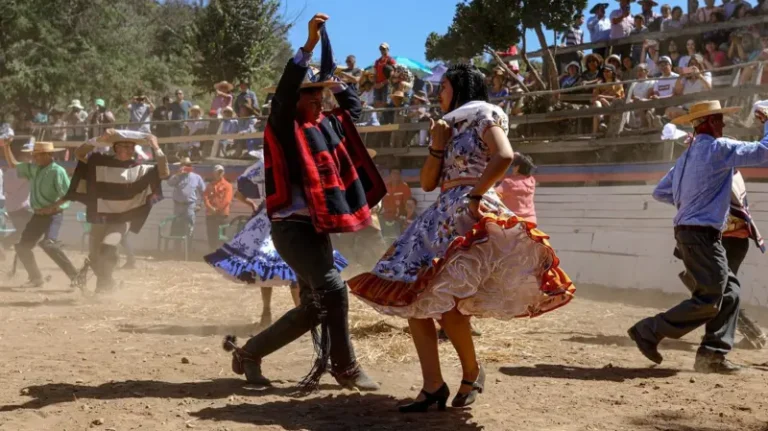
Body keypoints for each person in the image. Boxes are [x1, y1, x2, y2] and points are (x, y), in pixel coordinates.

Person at [348, 63, 575, 412]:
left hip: (469, 211)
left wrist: (474, 196)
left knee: (446, 303)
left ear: (460, 88)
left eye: (444, 88)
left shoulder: (485, 112)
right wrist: (437, 146)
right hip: (443, 212)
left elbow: (504, 156)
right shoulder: (446, 126)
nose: (439, 94)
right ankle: (433, 386)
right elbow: (426, 183)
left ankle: (471, 372)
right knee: (414, 299)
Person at [224, 13, 385, 391]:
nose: (318, 100)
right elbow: (284, 93)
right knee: (334, 288)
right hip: (292, 228)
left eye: (321, 95)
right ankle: (345, 368)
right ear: (296, 100)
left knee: (315, 306)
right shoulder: (284, 123)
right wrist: (309, 47)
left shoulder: (325, 125)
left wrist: (336, 80)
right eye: (311, 95)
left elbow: (353, 110)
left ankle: (249, 353)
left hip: (317, 229)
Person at [628, 100, 768, 374]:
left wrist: (691, 204)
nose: (724, 125)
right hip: (703, 234)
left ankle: (713, 355)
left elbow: (661, 192)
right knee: (713, 295)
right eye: (720, 120)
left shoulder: (686, 158)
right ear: (711, 123)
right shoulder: (719, 148)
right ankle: (649, 330)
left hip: (688, 232)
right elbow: (765, 152)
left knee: (729, 292)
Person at [204, 151, 349, 328]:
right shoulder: (295, 160)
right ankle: (300, 314)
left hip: (270, 216)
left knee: (266, 266)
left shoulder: (263, 164)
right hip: (290, 215)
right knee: (293, 264)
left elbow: (241, 188)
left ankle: (271, 312)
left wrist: (252, 203)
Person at [62, 129, 168, 292]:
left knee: (107, 248)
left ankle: (104, 286)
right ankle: (107, 282)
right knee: (95, 257)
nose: (126, 150)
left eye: (130, 147)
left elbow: (164, 172)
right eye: (122, 146)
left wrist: (156, 147)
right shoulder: (98, 161)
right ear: (115, 148)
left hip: (122, 219)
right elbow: (79, 153)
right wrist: (99, 140)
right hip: (99, 217)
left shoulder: (141, 169)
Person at [2, 141, 80, 288]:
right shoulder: (34, 169)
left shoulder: (57, 171)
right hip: (38, 215)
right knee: (22, 247)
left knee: (49, 244)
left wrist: (51, 207)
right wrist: (6, 147)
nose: (34, 158)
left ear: (48, 155)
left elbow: (69, 194)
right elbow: (13, 164)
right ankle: (36, 278)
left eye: (37, 155)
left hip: (53, 215)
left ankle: (75, 276)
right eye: (34, 155)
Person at [1, 138, 33, 249]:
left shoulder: (11, 171)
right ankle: (7, 243)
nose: (31, 158)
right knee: (26, 231)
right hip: (20, 208)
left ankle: (9, 244)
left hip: (15, 207)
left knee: (25, 232)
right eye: (29, 155)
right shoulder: (22, 171)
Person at [167, 157, 206, 247]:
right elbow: (169, 183)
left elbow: (204, 192)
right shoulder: (177, 176)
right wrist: (177, 174)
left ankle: (188, 250)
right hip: (178, 205)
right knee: (176, 226)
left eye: (188, 165)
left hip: (190, 205)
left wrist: (201, 204)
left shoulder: (196, 177)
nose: (186, 167)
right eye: (184, 165)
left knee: (189, 227)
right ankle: (176, 250)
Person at [494, 153, 537, 224]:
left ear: (517, 167)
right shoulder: (532, 180)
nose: (512, 167)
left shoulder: (509, 183)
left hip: (513, 222)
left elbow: (493, 195)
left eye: (514, 165)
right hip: (531, 221)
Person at [203, 165, 233, 251]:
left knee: (222, 236)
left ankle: (221, 255)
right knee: (211, 235)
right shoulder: (210, 185)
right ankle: (211, 252)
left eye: (221, 172)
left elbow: (227, 200)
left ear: (223, 173)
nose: (219, 174)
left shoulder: (228, 185)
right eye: (218, 172)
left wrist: (217, 210)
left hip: (222, 215)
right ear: (214, 173)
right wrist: (210, 208)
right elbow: (205, 197)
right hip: (210, 214)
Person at [380, 168, 411, 242]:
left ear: (400, 175)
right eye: (393, 173)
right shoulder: (384, 187)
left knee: (397, 240)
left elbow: (407, 204)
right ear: (390, 175)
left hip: (398, 218)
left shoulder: (405, 187)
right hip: (384, 218)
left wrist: (405, 217)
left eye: (397, 173)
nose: (395, 175)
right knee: (383, 240)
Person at [591, 64, 624, 134]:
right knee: (597, 104)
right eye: (604, 71)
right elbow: (594, 97)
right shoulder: (599, 83)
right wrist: (599, 97)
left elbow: (618, 97)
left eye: (608, 71)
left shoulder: (618, 83)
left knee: (598, 108)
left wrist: (602, 97)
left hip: (613, 104)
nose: (605, 73)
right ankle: (601, 123)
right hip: (600, 105)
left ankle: (595, 133)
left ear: (613, 72)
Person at [374, 42, 396, 108]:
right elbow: (375, 73)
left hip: (386, 85)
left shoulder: (391, 60)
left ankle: (384, 118)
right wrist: (375, 84)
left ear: (388, 49)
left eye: (384, 49)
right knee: (377, 103)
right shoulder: (377, 61)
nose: (382, 50)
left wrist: (382, 83)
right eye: (381, 49)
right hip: (377, 85)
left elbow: (393, 74)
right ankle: (379, 118)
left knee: (385, 103)